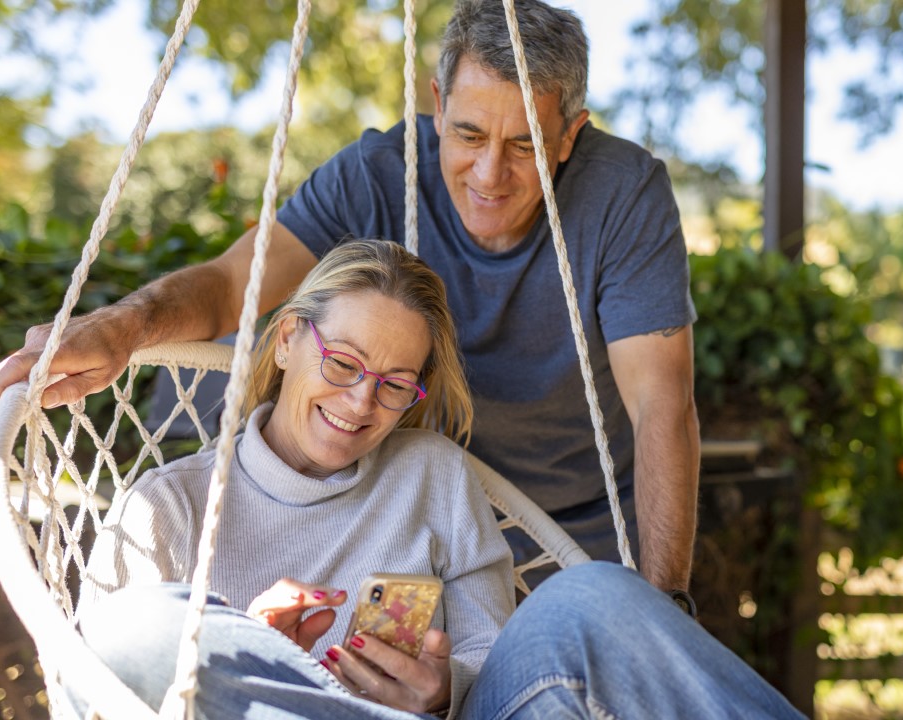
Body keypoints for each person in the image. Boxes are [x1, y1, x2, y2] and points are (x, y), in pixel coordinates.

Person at [0, 0, 700, 598]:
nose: (490, 173)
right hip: (396, 526)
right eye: (469, 133)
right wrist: (121, 327)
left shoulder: (622, 194)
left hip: (568, 540)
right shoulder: (380, 172)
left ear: (571, 133)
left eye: (526, 147)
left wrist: (665, 604)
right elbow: (239, 282)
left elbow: (660, 403)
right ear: (437, 103)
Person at [71, 239, 804, 720]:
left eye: (395, 385)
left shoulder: (433, 477)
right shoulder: (167, 507)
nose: (362, 404)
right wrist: (250, 655)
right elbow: (88, 691)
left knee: (595, 593)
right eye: (345, 364)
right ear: (289, 338)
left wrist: (445, 692)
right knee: (133, 628)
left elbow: (498, 660)